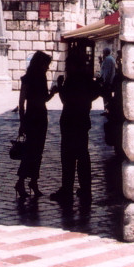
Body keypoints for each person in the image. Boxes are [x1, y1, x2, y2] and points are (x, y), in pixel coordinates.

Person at [50, 47, 100, 205]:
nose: (66, 67)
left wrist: (60, 87)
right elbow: (96, 91)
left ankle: (67, 188)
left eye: (68, 64)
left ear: (73, 65)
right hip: (82, 120)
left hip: (71, 120)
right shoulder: (86, 78)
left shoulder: (72, 80)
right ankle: (85, 188)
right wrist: (86, 102)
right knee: (83, 156)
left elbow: (66, 99)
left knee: (68, 157)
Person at [16, 51, 58, 200]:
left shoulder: (37, 78)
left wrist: (53, 93)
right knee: (30, 151)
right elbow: (22, 103)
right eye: (46, 64)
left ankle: (33, 182)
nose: (47, 67)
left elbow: (40, 99)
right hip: (35, 117)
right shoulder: (31, 79)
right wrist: (22, 122)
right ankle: (21, 182)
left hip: (38, 116)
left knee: (37, 151)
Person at [99, 47, 116, 114]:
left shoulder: (108, 59)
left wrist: (104, 80)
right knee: (106, 96)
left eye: (103, 52)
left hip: (107, 81)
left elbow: (107, 71)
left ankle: (107, 110)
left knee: (106, 96)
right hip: (108, 81)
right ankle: (107, 109)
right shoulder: (108, 59)